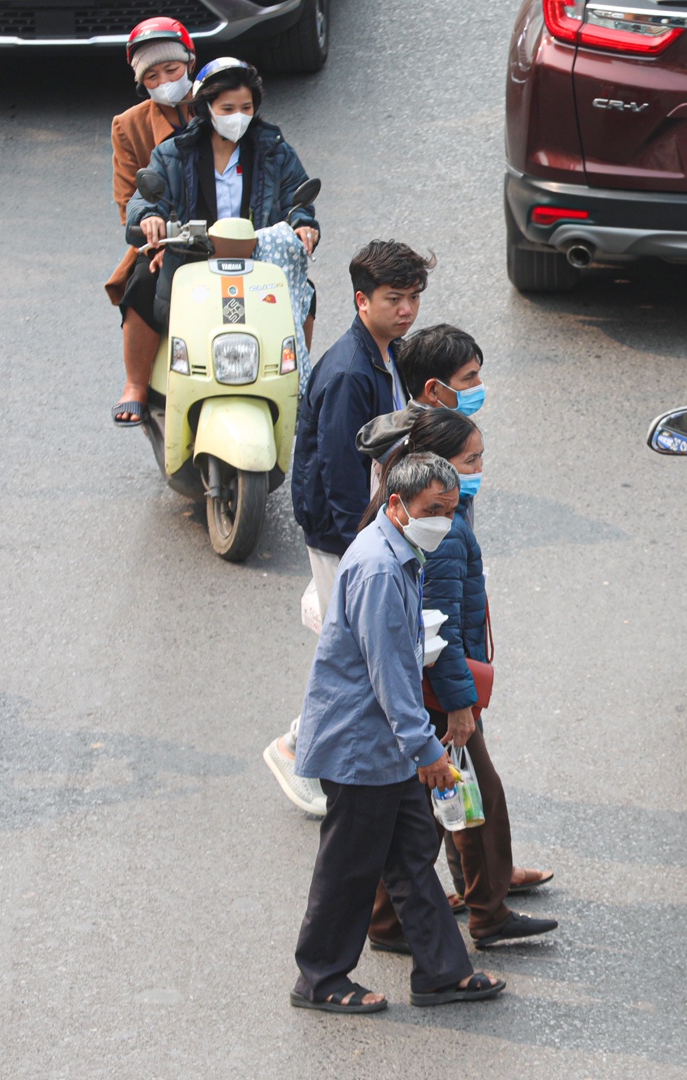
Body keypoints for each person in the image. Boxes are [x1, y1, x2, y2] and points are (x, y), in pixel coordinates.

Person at [291, 452, 505, 1013]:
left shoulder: (401, 550)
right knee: (349, 867)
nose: (444, 521)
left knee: (411, 852)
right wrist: (426, 751)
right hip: (363, 745)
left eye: (452, 510)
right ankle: (320, 978)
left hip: (384, 742)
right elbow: (389, 675)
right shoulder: (381, 569)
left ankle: (440, 970)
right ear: (396, 505)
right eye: (434, 510)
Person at [358, 410, 557, 951]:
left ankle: (405, 918)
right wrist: (461, 705)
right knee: (468, 801)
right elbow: (436, 631)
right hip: (440, 696)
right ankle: (477, 915)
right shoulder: (443, 533)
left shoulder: (424, 515)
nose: (480, 469)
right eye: (471, 459)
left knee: (435, 808)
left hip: (433, 693)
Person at [264, 240, 435, 816]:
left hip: (369, 529)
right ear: (362, 301)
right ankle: (296, 747)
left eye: (413, 297)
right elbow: (338, 476)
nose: (407, 308)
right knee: (354, 652)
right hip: (347, 535)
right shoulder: (347, 372)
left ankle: (311, 747)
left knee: (353, 649)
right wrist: (363, 548)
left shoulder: (385, 353)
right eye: (395, 298)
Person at [126, 57, 319, 337]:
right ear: (206, 108)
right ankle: (135, 380)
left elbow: (296, 198)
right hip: (187, 257)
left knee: (306, 292)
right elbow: (143, 201)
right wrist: (150, 217)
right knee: (142, 281)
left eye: (246, 108)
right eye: (227, 108)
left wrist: (302, 223)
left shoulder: (276, 153)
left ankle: (298, 375)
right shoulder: (172, 154)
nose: (237, 116)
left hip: (258, 258)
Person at [107, 17, 197, 427]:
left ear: (190, 63)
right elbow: (129, 200)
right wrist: (155, 237)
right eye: (153, 75)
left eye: (172, 69)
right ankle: (136, 384)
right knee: (143, 282)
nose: (164, 81)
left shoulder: (221, 102)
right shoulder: (129, 126)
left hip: (230, 233)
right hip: (163, 238)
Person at [355, 322, 486, 495]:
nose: (479, 385)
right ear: (432, 390)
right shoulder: (428, 446)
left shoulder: (432, 429)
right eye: (469, 377)